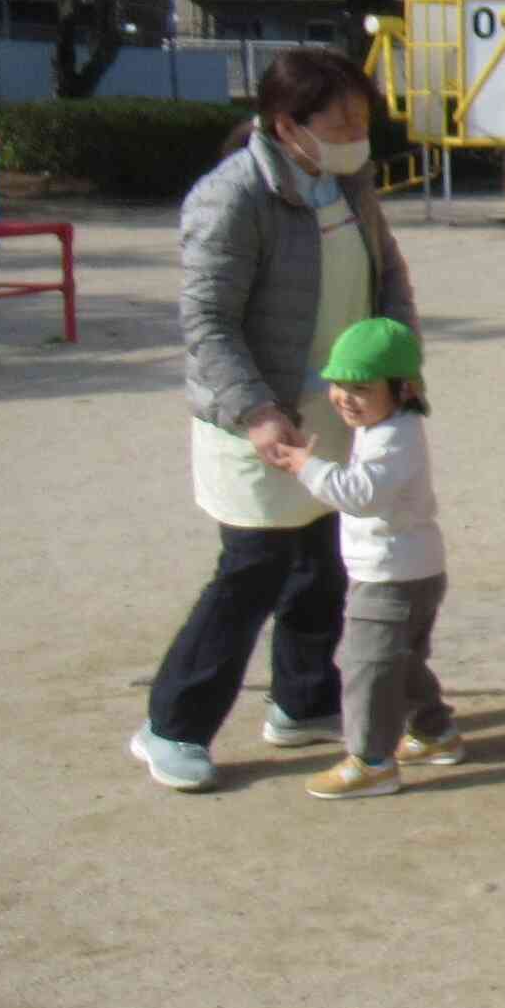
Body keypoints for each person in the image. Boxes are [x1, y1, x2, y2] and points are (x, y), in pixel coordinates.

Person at [133, 49, 417, 795]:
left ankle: (302, 699)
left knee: (323, 559)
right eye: (342, 119)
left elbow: (387, 276)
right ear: (288, 126)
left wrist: (399, 371)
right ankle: (171, 723)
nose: (358, 132)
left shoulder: (349, 182)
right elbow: (208, 320)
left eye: (363, 117)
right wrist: (257, 411)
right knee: (253, 571)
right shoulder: (230, 198)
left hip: (337, 407)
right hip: (256, 418)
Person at [281, 317, 456, 799]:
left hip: (391, 576)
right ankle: (433, 730)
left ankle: (371, 761)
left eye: (361, 388)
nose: (344, 398)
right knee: (401, 660)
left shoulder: (395, 438)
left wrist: (305, 465)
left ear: (403, 389)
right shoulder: (384, 425)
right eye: (338, 385)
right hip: (406, 568)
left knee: (365, 664)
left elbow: (360, 495)